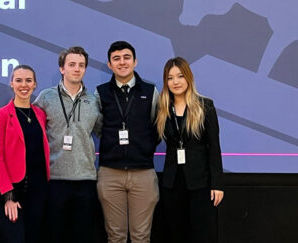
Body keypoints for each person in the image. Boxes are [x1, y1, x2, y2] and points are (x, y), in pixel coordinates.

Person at [0, 47, 102, 242]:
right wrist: (8, 195)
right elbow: (0, 154)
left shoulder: (91, 101)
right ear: (61, 68)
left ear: (34, 84)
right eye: (71, 64)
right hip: (36, 185)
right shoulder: (40, 101)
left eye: (81, 65)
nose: (76, 69)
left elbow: (102, 130)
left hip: (58, 184)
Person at [95, 41, 159, 243]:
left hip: (143, 173)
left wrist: (144, 147)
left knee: (141, 236)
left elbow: (158, 127)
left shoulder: (150, 91)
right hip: (110, 173)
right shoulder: (101, 92)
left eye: (126, 57)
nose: (122, 62)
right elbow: (98, 127)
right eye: (116, 58)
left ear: (135, 61)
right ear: (109, 64)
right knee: (115, 236)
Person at [155, 57, 224, 243]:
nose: (175, 82)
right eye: (170, 78)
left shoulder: (205, 106)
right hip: (172, 183)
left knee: (200, 234)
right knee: (176, 234)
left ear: (188, 78)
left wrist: (217, 184)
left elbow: (214, 147)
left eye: (180, 76)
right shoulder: (162, 109)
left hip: (200, 183)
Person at [0, 65, 50, 243]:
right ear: (11, 84)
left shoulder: (40, 114)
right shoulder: (1, 115)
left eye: (28, 80)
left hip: (38, 190)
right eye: (19, 80)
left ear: (35, 85)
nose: (24, 85)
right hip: (13, 190)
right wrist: (8, 196)